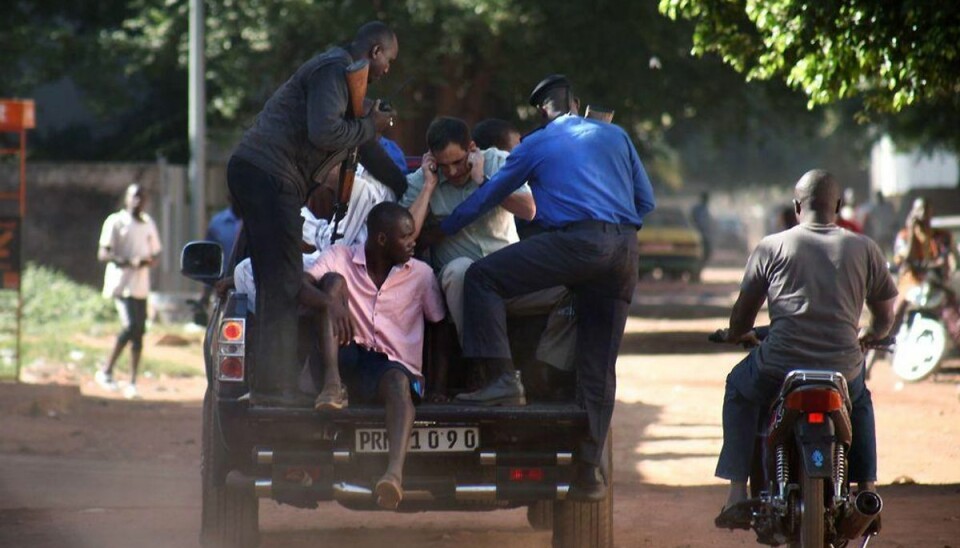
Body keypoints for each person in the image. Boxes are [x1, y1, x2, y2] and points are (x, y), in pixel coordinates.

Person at [438, 74, 656, 501]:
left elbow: (489, 196)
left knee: (482, 277)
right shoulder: (615, 135)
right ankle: (588, 472)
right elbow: (644, 202)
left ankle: (502, 379)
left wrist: (442, 227)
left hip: (576, 243)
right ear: (575, 103)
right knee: (598, 365)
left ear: (543, 110)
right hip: (624, 252)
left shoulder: (536, 144)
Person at [226, 21, 407, 406]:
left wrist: (405, 182)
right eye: (388, 60)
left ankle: (271, 388)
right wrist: (367, 125)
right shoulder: (334, 69)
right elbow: (325, 133)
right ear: (374, 52)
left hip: (265, 176)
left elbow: (364, 147)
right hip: (270, 176)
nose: (387, 70)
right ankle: (276, 391)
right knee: (284, 282)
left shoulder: (343, 81)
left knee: (278, 280)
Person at [713, 170, 897, 529]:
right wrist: (871, 336)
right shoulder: (864, 247)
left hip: (779, 365)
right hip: (843, 366)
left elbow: (743, 314)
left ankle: (736, 493)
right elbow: (885, 315)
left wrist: (737, 334)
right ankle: (867, 488)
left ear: (797, 206)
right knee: (859, 401)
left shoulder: (771, 246)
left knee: (738, 387)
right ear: (839, 206)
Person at [400, 116, 575, 400]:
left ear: (471, 148)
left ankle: (546, 368)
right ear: (432, 159)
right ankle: (485, 367)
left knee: (574, 290)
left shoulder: (497, 162)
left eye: (458, 162)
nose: (453, 171)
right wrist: (430, 186)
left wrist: (485, 183)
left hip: (511, 278)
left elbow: (529, 209)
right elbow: (405, 235)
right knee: (461, 271)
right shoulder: (422, 180)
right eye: (443, 165)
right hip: (465, 290)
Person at [305, 202, 445, 510]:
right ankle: (332, 386)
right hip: (344, 354)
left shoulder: (421, 275)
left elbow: (439, 327)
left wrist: (436, 386)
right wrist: (330, 302)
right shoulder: (340, 256)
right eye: (405, 237)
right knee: (332, 282)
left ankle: (393, 475)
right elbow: (302, 285)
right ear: (381, 239)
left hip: (389, 366)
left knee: (397, 382)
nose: (413, 243)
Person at [95, 184, 163, 400]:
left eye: (141, 198)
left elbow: (155, 253)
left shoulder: (148, 223)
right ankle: (106, 370)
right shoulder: (116, 221)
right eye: (134, 197)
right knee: (130, 326)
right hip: (121, 284)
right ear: (127, 199)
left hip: (140, 285)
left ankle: (132, 381)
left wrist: (146, 262)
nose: (138, 201)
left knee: (139, 332)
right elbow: (103, 253)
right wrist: (127, 261)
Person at [862, 191, 896, 255]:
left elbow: (893, 219)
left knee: (891, 251)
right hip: (879, 234)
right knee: (881, 252)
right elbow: (869, 221)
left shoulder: (888, 206)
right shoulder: (874, 208)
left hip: (889, 233)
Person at [691, 192, 714, 264]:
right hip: (697, 233)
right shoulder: (698, 209)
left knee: (706, 251)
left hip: (704, 234)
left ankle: (700, 264)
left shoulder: (705, 209)